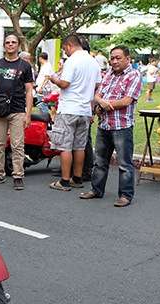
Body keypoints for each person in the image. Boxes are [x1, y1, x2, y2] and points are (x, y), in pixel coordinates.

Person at [80, 46, 142, 207]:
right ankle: (96, 190)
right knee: (99, 161)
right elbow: (97, 94)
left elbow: (127, 100)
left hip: (122, 126)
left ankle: (125, 195)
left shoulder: (134, 75)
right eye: (112, 58)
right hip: (104, 125)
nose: (114, 61)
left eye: (118, 58)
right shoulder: (108, 74)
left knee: (124, 164)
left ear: (128, 59)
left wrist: (105, 105)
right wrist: (101, 103)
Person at [45, 34, 101, 191]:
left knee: (65, 146)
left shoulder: (72, 61)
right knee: (80, 146)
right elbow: (97, 85)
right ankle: (77, 178)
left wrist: (54, 79)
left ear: (69, 46)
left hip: (69, 109)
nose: (65, 52)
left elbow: (64, 83)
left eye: (65, 49)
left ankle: (64, 181)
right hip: (85, 110)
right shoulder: (93, 62)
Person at [0, 34, 35, 190]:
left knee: (17, 145)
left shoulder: (25, 67)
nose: (10, 45)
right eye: (7, 42)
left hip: (17, 111)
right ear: (4, 45)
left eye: (13, 42)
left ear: (18, 45)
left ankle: (18, 175)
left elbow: (29, 91)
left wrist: (28, 114)